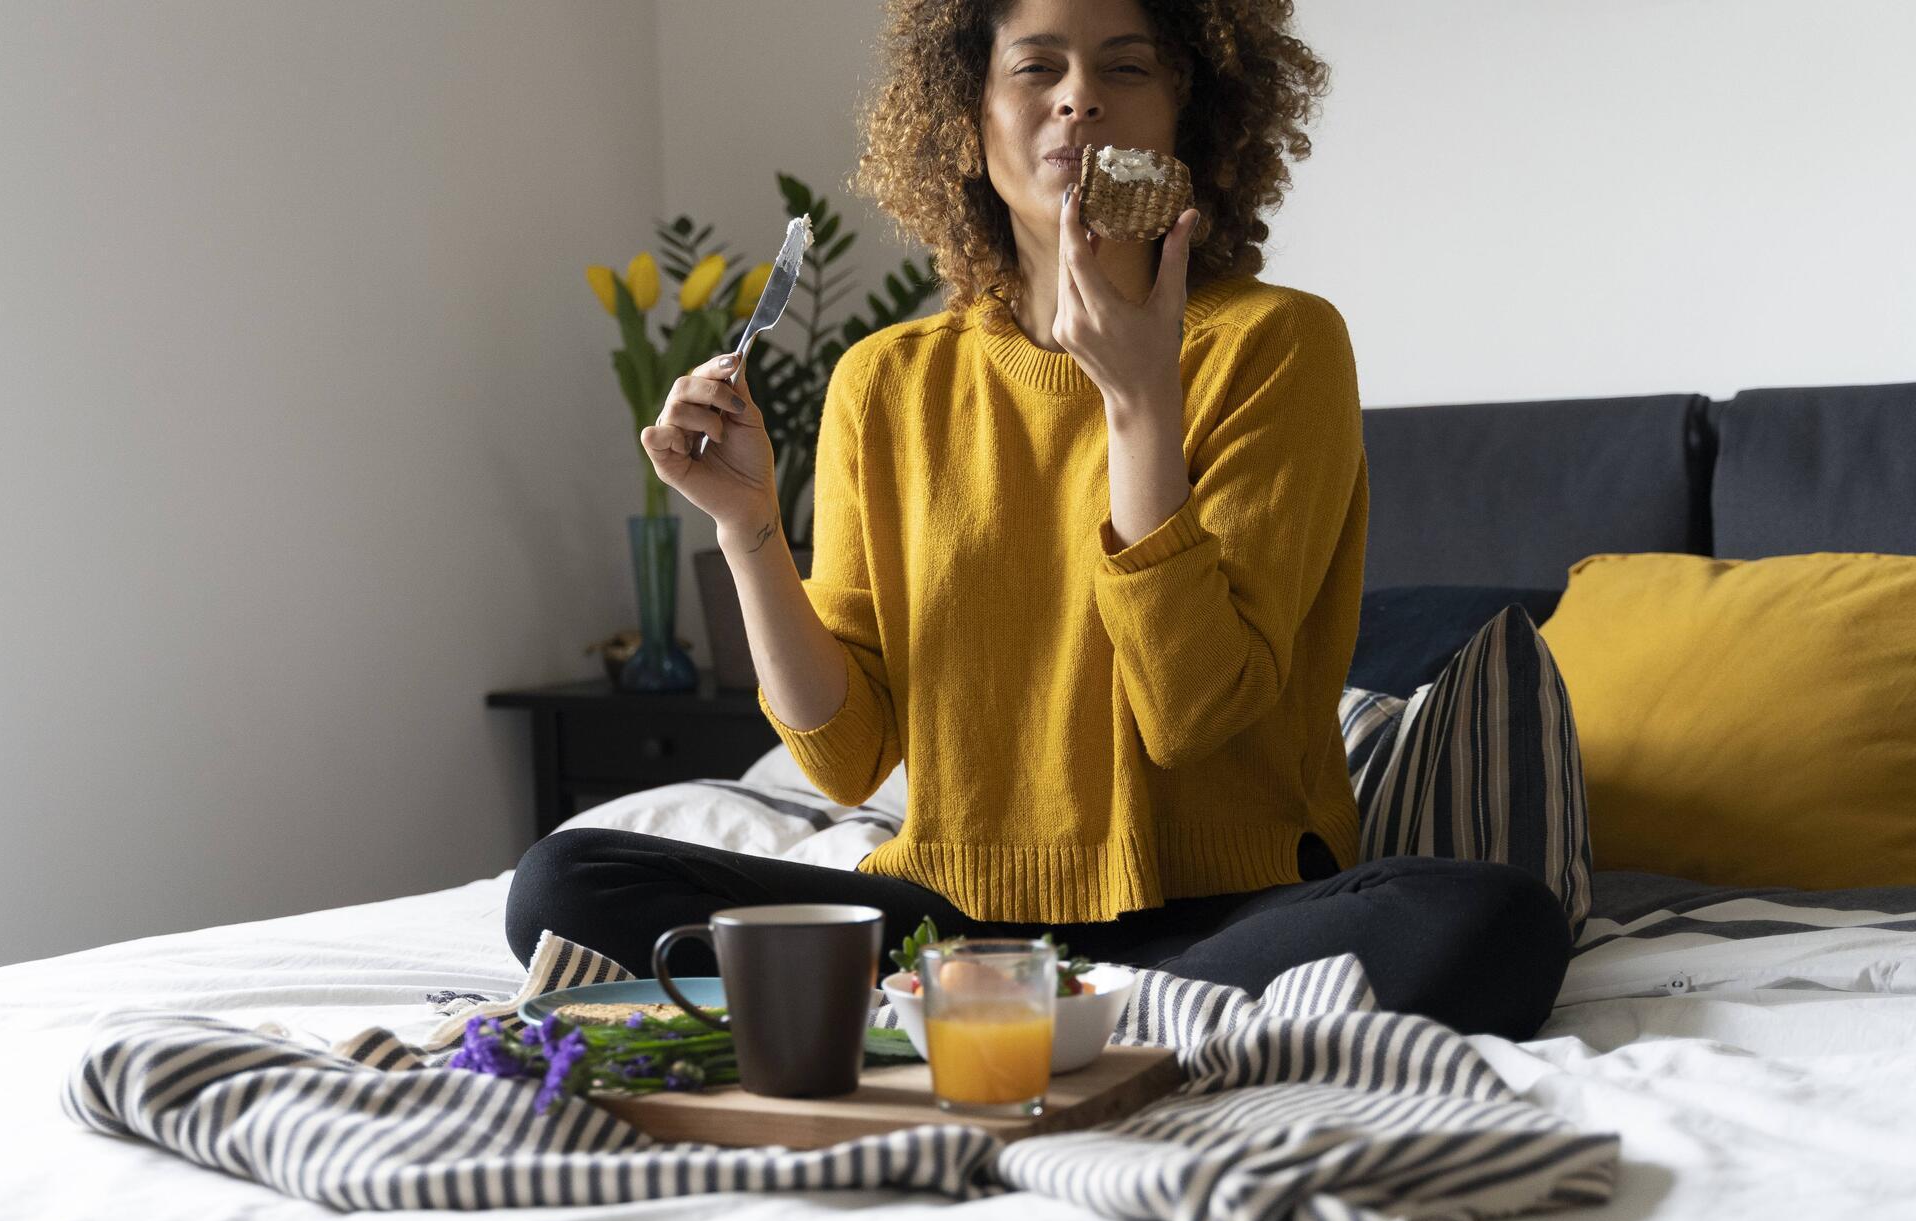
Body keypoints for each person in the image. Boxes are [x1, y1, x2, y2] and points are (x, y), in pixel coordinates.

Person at [508, 0, 1571, 1040]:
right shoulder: (885, 381)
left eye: (1126, 68)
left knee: (1494, 925)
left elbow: (1194, 713)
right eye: (1035, 69)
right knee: (565, 880)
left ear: (1187, 116)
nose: (1079, 103)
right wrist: (747, 530)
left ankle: (1023, 1020)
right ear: (966, 125)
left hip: (1217, 910)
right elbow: (842, 759)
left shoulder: (1274, 345)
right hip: (954, 924)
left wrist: (1140, 404)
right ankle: (1085, 1018)